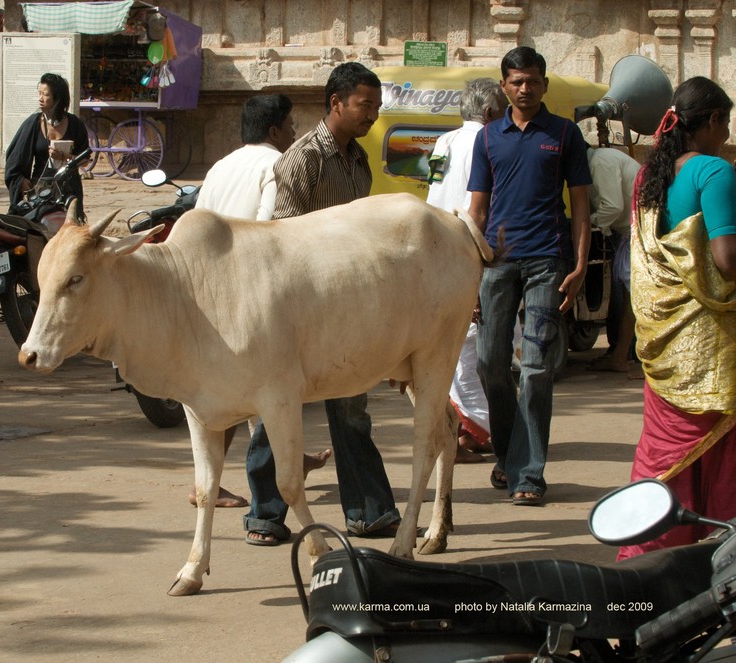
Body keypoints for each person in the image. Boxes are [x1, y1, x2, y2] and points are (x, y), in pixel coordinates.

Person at [242, 62, 401, 545]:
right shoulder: (300, 159)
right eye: (365, 105)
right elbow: (285, 243)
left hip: (348, 309)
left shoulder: (359, 162)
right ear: (337, 103)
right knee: (279, 408)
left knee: (351, 406)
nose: (372, 114)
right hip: (298, 312)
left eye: (376, 106)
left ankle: (368, 511)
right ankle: (266, 516)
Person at [617, 77, 736, 560]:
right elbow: (730, 260)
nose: (726, 133)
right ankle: (725, 561)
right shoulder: (714, 173)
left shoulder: (648, 176)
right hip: (713, 343)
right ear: (712, 121)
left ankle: (648, 564)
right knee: (727, 455)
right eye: (726, 122)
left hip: (662, 346)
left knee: (665, 456)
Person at [191, 94, 330, 509]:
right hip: (250, 294)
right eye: (290, 126)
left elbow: (195, 222)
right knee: (252, 391)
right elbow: (272, 229)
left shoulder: (220, 166)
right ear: (274, 131)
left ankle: (288, 459)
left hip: (209, 291)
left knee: (243, 393)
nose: (293, 134)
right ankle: (221, 485)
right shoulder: (277, 165)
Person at [467, 46, 592, 507]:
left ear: (544, 84)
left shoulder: (564, 134)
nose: (525, 88)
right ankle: (509, 455)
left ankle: (529, 473)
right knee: (489, 365)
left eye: (533, 80)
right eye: (516, 81)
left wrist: (579, 266)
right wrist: (471, 272)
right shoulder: (487, 139)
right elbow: (477, 209)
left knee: (537, 368)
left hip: (547, 260)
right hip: (496, 263)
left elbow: (581, 205)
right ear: (504, 86)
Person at [426, 77, 507, 464]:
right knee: (474, 349)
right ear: (492, 112)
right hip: (471, 252)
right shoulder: (489, 141)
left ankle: (466, 428)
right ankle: (473, 430)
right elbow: (482, 209)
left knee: (454, 350)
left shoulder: (443, 143)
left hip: (437, 252)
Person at [585, 145, 641, 374]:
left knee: (629, 295)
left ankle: (621, 355)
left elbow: (612, 206)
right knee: (625, 293)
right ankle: (621, 352)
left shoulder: (599, 162)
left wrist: (587, 223)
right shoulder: (599, 162)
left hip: (635, 231)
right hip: (629, 231)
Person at [4, 73, 89, 213]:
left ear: (57, 98)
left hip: (69, 187)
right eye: (39, 93)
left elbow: (85, 160)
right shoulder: (33, 123)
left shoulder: (75, 124)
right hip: (39, 188)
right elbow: (14, 156)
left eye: (45, 94)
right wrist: (20, 180)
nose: (40, 98)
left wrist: (65, 157)